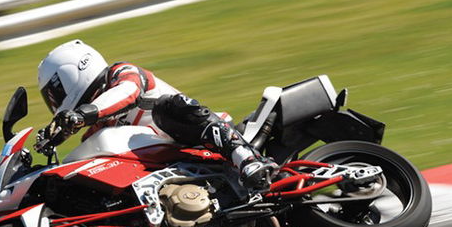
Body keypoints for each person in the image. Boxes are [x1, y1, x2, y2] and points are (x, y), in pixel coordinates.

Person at [37, 39, 277, 191]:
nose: (55, 103)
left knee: (166, 108)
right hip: (172, 163)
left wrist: (82, 114)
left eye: (54, 94)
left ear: (71, 74)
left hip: (197, 137)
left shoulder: (121, 73)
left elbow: (127, 93)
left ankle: (246, 159)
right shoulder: (97, 125)